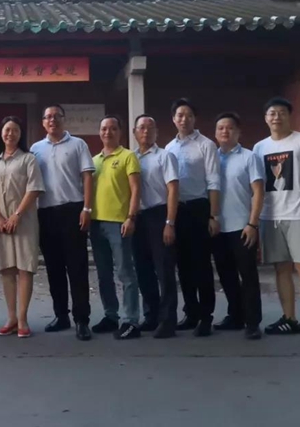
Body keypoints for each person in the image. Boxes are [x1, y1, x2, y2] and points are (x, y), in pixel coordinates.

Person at [253, 97, 300, 347]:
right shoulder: (259, 147)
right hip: (270, 216)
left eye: (282, 112)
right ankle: (289, 318)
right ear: (266, 118)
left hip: (299, 216)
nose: (277, 117)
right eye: (272, 113)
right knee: (281, 268)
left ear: (289, 116)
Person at [31, 104, 95, 341]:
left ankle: (82, 320)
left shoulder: (78, 144)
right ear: (43, 122)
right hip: (46, 214)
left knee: (77, 268)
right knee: (54, 269)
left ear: (64, 119)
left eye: (56, 116)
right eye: (48, 117)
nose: (52, 120)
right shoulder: (36, 149)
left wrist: (87, 208)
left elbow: (87, 177)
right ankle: (61, 315)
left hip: (73, 211)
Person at [0, 116, 45, 338]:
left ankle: (22, 319)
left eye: (15, 130)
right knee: (7, 269)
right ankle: (11, 318)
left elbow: (34, 189)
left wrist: (17, 215)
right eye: (7, 130)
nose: (10, 134)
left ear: (21, 134)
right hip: (1, 224)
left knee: (25, 268)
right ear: (1, 133)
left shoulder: (28, 159)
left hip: (24, 222)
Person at [165, 98, 221, 337]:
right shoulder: (169, 148)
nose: (184, 119)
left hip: (199, 208)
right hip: (177, 210)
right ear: (173, 119)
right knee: (183, 265)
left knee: (201, 265)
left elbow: (214, 181)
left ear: (194, 118)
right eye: (179, 115)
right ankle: (191, 312)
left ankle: (206, 316)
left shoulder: (206, 145)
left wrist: (213, 215)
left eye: (188, 115)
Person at [212, 112, 264, 340]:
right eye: (221, 128)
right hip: (218, 227)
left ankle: (252, 322)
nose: (225, 131)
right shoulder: (212, 158)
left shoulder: (249, 157)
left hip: (242, 226)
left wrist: (253, 223)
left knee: (248, 275)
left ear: (238, 132)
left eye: (230, 128)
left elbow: (258, 192)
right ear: (215, 133)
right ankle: (235, 315)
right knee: (226, 275)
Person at [90, 115, 143, 340]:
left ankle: (131, 320)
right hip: (96, 223)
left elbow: (136, 189)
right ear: (99, 132)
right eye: (104, 129)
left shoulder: (128, 156)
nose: (108, 132)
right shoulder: (94, 161)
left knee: (125, 273)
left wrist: (131, 217)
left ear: (120, 132)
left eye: (112, 128)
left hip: (119, 223)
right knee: (103, 274)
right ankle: (110, 315)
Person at [131, 115, 180, 339]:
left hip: (159, 215)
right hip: (138, 218)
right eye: (141, 127)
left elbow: (173, 190)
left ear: (156, 132)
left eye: (150, 127)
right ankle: (151, 315)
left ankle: (168, 320)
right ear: (134, 132)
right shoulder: (131, 158)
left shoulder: (165, 156)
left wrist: (170, 222)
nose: (146, 131)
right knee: (143, 270)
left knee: (164, 270)